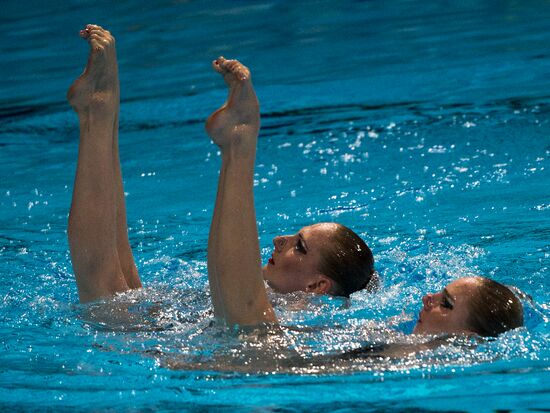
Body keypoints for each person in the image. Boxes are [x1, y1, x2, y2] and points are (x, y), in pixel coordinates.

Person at [66, 25, 523, 339]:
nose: (282, 238)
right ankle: (99, 111)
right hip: (204, 333)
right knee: (113, 285)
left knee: (112, 293)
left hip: (242, 349)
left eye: (300, 247)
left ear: (317, 285)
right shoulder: (360, 317)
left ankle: (233, 144)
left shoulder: (431, 352)